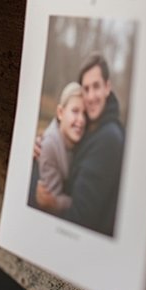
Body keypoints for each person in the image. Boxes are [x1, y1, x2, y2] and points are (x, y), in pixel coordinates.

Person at [36, 53, 125, 237]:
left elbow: (81, 216)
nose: (91, 96)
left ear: (108, 87)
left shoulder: (108, 138)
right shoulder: (92, 128)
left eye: (96, 86)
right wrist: (37, 144)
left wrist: (53, 203)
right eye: (86, 89)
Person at [36, 81, 85, 213]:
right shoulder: (49, 146)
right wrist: (83, 203)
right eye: (75, 111)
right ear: (60, 112)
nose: (81, 120)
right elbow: (52, 200)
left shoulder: (82, 143)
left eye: (85, 114)